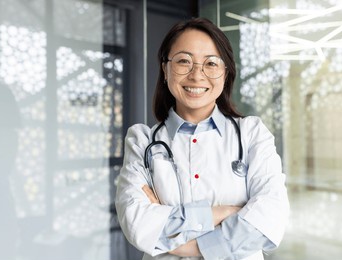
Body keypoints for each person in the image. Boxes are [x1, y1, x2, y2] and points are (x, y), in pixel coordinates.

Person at [115, 17, 289, 260]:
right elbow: (137, 224)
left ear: (225, 73)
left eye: (211, 63)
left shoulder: (252, 134)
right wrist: (221, 213)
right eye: (184, 61)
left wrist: (178, 243)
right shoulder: (142, 141)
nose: (197, 75)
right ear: (165, 70)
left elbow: (270, 219)